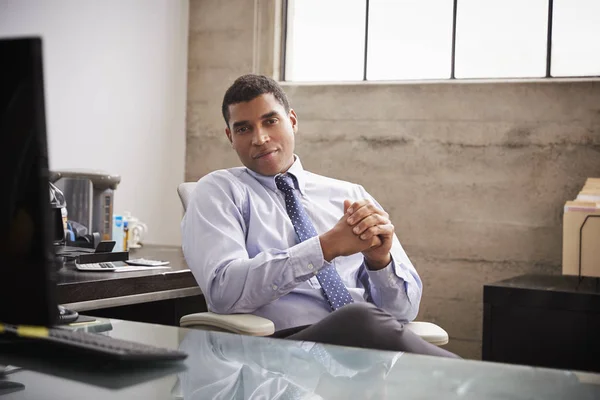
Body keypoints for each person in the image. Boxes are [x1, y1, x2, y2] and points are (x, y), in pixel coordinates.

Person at [182, 74, 458, 358]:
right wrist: (326, 247)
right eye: (243, 129)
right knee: (360, 318)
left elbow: (402, 312)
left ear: (292, 121)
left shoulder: (349, 194)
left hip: (366, 346)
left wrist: (380, 262)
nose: (260, 138)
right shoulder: (218, 191)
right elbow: (223, 292)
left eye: (270, 121)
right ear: (230, 137)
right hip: (283, 349)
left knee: (365, 323)